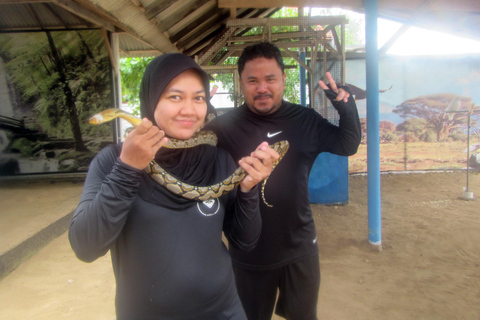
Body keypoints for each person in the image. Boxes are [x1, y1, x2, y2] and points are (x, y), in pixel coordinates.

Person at [68, 53, 279, 320]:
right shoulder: (113, 161)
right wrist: (127, 169)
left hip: (223, 312)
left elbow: (244, 241)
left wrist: (248, 190)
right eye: (175, 97)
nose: (190, 110)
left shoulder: (218, 161)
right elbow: (85, 246)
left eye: (199, 98)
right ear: (151, 99)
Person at [205, 42, 361, 320]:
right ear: (241, 83)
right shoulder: (223, 128)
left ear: (283, 80)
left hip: (299, 247)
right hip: (248, 254)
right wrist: (195, 114)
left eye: (270, 79)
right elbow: (191, 162)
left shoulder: (305, 119)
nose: (262, 87)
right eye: (252, 80)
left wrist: (344, 106)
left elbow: (347, 144)